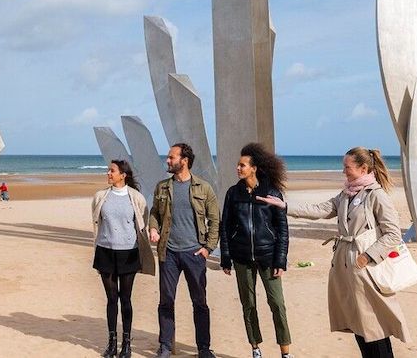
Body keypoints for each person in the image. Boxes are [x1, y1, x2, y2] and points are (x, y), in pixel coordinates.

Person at [257, 147, 410, 358]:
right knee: (358, 324)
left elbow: (392, 234)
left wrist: (367, 257)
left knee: (374, 326)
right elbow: (319, 210)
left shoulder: (376, 195)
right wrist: (284, 206)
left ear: (363, 168)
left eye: (347, 167)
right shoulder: (346, 194)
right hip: (345, 268)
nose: (343, 171)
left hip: (366, 269)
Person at [220, 143, 292, 358]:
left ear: (254, 168)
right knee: (248, 304)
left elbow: (282, 229)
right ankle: (255, 348)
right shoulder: (233, 193)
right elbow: (225, 226)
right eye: (238, 165)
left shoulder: (271, 193)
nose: (238, 168)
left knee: (277, 304)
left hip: (268, 257)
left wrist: (280, 260)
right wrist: (226, 257)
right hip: (241, 257)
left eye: (242, 165)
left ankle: (285, 352)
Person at [148, 143, 220, 358]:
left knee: (200, 302)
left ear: (184, 160)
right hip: (168, 253)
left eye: (171, 157)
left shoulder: (204, 188)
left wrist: (208, 248)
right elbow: (154, 213)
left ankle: (204, 349)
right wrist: (153, 227)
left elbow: (215, 220)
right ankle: (166, 346)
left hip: (194, 253)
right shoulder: (162, 187)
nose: (168, 161)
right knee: (166, 301)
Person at [91, 159, 156, 358]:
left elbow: (142, 222)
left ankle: (126, 344)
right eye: (108, 171)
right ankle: (112, 342)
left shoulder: (136, 197)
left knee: (125, 298)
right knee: (111, 299)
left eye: (112, 171)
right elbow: (97, 221)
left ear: (123, 174)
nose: (108, 173)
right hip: (105, 251)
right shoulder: (100, 196)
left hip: (128, 252)